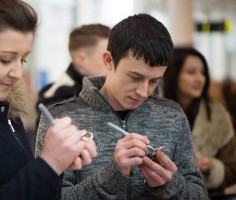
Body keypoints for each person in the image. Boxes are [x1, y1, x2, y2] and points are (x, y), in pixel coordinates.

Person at [36, 13, 208, 199]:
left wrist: (170, 184)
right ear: (109, 61)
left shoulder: (172, 115)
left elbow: (199, 194)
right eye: (135, 77)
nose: (143, 92)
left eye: (154, 81)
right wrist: (112, 176)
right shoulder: (62, 119)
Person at [0, 0, 97, 199]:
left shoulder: (4, 108)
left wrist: (57, 164)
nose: (17, 73)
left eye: (23, 60)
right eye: (5, 59)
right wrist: (49, 164)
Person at [162, 47, 236, 199]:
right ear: (174, 74)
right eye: (191, 72)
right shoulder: (152, 111)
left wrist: (210, 166)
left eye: (203, 73)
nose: (200, 79)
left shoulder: (218, 116)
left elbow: (233, 168)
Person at [35, 24, 110, 130]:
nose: (112, 65)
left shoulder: (99, 90)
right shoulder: (57, 99)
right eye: (106, 59)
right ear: (81, 60)